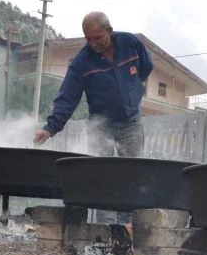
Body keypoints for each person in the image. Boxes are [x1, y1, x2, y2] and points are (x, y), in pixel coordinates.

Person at [33, 11, 153, 157]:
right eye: (88, 39)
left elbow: (147, 66)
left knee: (133, 167)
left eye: (98, 38)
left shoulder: (130, 42)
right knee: (99, 168)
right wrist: (50, 128)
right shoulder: (81, 63)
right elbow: (68, 97)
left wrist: (133, 90)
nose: (93, 44)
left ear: (109, 30)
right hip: (100, 127)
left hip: (131, 123)